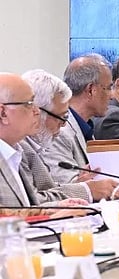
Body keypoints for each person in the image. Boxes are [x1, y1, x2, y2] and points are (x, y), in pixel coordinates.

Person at [19, 70, 119, 202]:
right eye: (62, 117)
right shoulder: (17, 149)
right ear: (36, 112)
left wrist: (79, 183)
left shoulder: (29, 147)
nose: (64, 125)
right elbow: (31, 201)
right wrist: (86, 190)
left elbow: (46, 191)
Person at [0, 73, 89, 214]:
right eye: (29, 104)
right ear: (3, 113)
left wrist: (56, 208)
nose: (36, 111)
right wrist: (49, 216)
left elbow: (22, 210)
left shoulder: (16, 150)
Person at [44, 54, 112, 183]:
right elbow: (67, 185)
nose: (112, 95)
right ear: (91, 90)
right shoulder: (60, 131)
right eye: (108, 88)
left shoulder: (85, 125)